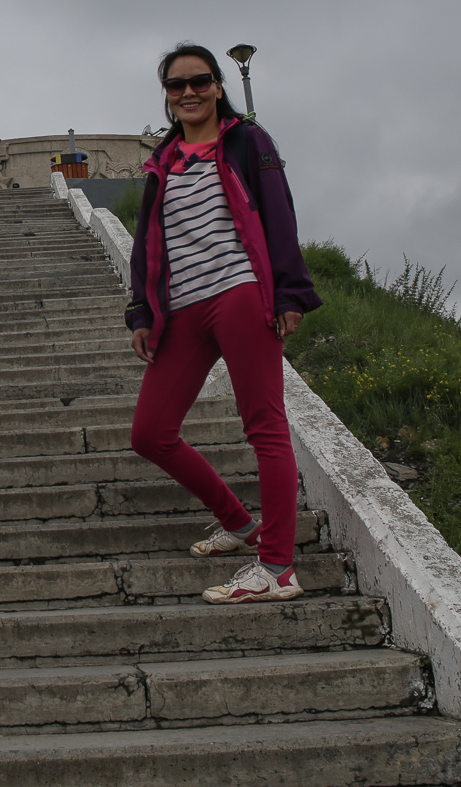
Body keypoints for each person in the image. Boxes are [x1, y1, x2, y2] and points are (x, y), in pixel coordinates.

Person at [125, 44, 321, 605]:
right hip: (181, 307)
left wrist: (291, 293)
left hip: (239, 291)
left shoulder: (247, 142)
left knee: (265, 424)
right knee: (150, 433)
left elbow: (279, 214)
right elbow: (146, 243)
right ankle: (238, 525)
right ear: (165, 95)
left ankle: (278, 568)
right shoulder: (162, 160)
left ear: (217, 86)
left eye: (200, 81)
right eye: (175, 85)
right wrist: (141, 309)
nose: (188, 92)